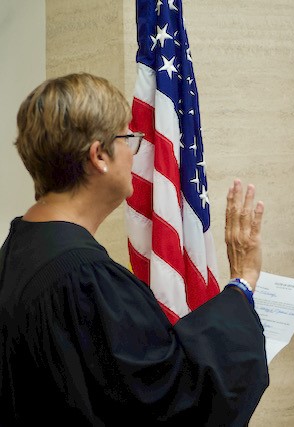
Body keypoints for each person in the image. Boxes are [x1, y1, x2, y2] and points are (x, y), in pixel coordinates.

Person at [0, 73, 268, 425]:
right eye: (126, 138)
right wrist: (241, 283)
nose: (133, 152)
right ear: (99, 156)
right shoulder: (84, 278)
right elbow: (171, 398)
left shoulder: (20, 247)